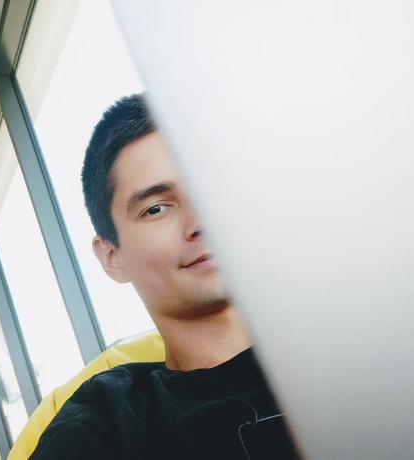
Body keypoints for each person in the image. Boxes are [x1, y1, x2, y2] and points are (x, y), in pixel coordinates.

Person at [30, 94, 300, 459]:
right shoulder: (107, 423)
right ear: (112, 257)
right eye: (156, 208)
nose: (199, 222)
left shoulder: (352, 338)